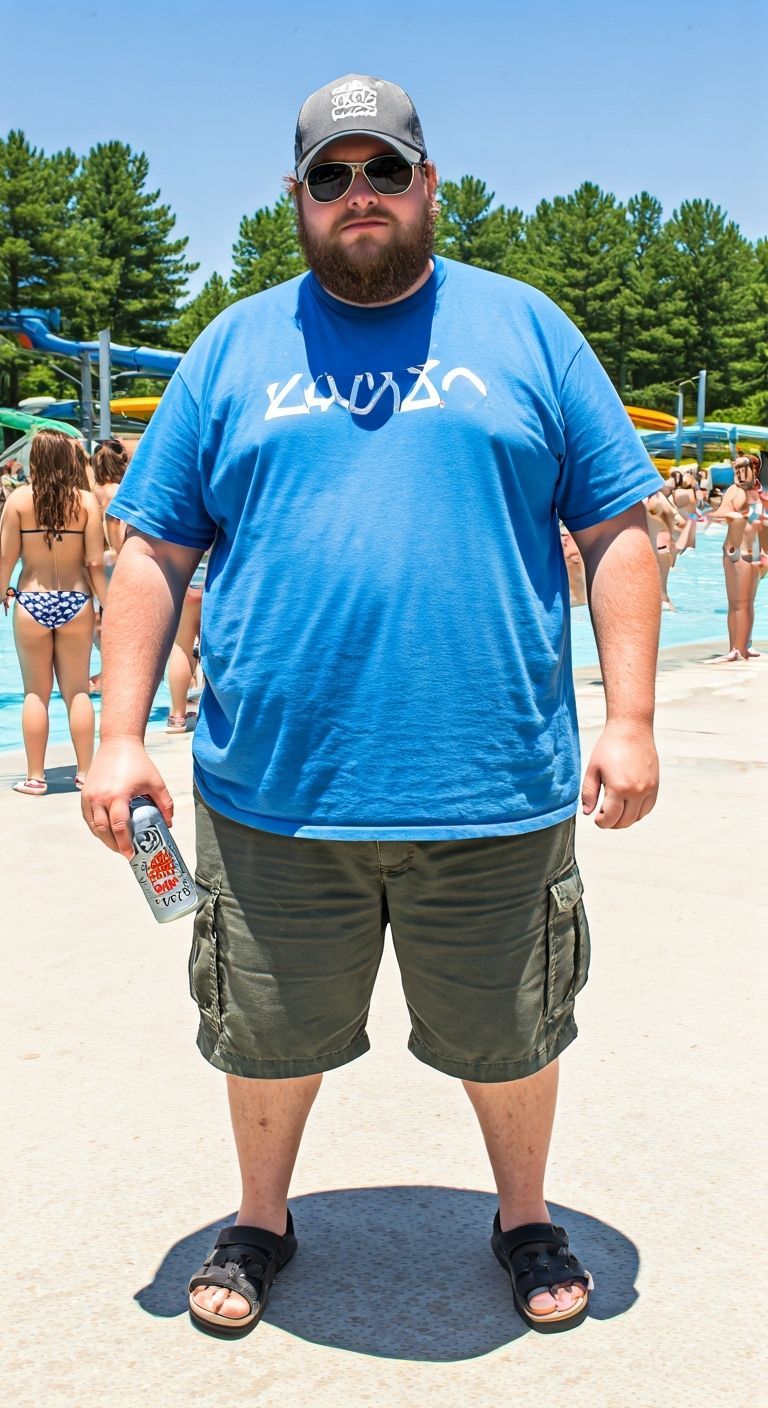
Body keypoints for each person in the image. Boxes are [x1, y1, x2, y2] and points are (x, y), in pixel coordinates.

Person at [82, 73, 663, 1338]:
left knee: (511, 1030)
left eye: (384, 170)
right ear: (296, 197)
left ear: (428, 185)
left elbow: (617, 523)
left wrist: (630, 716)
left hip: (492, 782)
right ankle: (262, 1216)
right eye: (331, 175)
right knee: (265, 1030)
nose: (360, 196)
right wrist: (119, 737)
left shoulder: (528, 331)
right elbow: (150, 550)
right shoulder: (235, 347)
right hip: (273, 791)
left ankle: (523, 1214)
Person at [0, 428, 108, 793]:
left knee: (35, 694)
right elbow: (94, 563)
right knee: (77, 691)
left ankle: (35, 777)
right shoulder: (86, 503)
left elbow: (5, 557)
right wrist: (106, 603)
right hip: (75, 601)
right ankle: (86, 773)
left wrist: (2, 592)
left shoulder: (17, 501)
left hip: (31, 601)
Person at [706, 452, 767, 662]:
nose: (739, 474)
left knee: (747, 603)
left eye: (743, 469)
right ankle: (736, 647)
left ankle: (744, 645)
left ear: (755, 470)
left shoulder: (762, 493)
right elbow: (720, 514)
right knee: (737, 603)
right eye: (736, 470)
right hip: (736, 553)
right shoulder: (734, 492)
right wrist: (726, 515)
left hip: (756, 555)